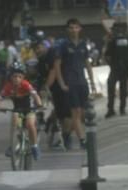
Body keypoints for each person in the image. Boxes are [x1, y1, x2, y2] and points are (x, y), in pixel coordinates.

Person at [52, 18, 95, 150]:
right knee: (75, 112)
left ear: (80, 29)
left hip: (82, 82)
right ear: (67, 29)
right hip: (70, 83)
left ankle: (65, 134)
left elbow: (87, 64)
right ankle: (83, 140)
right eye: (71, 27)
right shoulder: (63, 45)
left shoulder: (83, 45)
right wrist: (62, 83)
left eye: (76, 27)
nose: (74, 30)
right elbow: (57, 65)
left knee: (81, 113)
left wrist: (92, 82)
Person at [0, 62, 43, 161]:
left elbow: (35, 95)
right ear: (10, 77)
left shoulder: (26, 84)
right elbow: (0, 97)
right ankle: (11, 145)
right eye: (14, 76)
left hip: (29, 109)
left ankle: (35, 146)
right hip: (17, 110)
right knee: (15, 118)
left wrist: (39, 104)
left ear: (23, 77)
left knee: (30, 125)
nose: (17, 79)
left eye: (19, 76)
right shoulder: (8, 86)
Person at [103, 21, 128, 117]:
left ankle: (111, 109)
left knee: (111, 87)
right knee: (123, 88)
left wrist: (111, 64)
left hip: (115, 68)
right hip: (125, 68)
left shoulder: (113, 41)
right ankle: (122, 109)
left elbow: (107, 55)